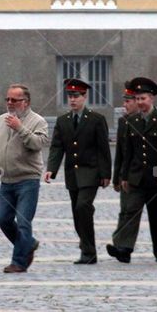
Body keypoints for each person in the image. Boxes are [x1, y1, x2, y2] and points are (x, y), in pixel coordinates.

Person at [108, 76, 157, 264]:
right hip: (136, 176)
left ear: (151, 98)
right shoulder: (132, 121)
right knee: (130, 210)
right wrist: (123, 176)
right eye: (137, 99)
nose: (140, 103)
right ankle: (123, 248)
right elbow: (127, 152)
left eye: (143, 99)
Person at [45, 78, 112, 265]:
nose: (73, 100)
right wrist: (51, 169)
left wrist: (106, 174)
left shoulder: (96, 120)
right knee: (78, 212)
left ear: (85, 96)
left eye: (76, 96)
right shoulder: (63, 121)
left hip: (91, 173)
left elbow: (103, 148)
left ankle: (89, 252)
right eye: (70, 96)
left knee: (83, 206)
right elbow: (57, 147)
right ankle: (86, 246)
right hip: (72, 174)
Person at [0, 83, 49, 274]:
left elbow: (38, 144)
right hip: (6, 181)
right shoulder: (0, 120)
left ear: (26, 102)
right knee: (2, 219)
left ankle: (19, 262)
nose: (10, 103)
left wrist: (20, 128)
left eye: (15, 100)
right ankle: (28, 244)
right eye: (8, 99)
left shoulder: (38, 121)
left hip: (27, 180)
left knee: (23, 221)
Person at [108, 82, 138, 258]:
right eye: (124, 101)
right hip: (129, 174)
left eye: (128, 101)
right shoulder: (123, 121)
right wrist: (117, 178)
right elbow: (120, 152)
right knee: (127, 209)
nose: (125, 105)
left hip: (151, 173)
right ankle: (122, 247)